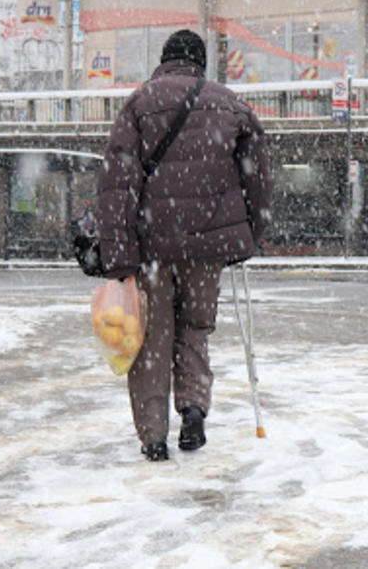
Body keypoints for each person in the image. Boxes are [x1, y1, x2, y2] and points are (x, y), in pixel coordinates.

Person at [97, 29, 274, 462]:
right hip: (207, 249)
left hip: (152, 246)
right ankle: (193, 410)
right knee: (195, 329)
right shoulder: (230, 104)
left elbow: (118, 184)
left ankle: (154, 437)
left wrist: (118, 255)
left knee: (151, 340)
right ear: (201, 63)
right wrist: (251, 231)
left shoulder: (139, 103)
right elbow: (259, 176)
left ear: (163, 59)